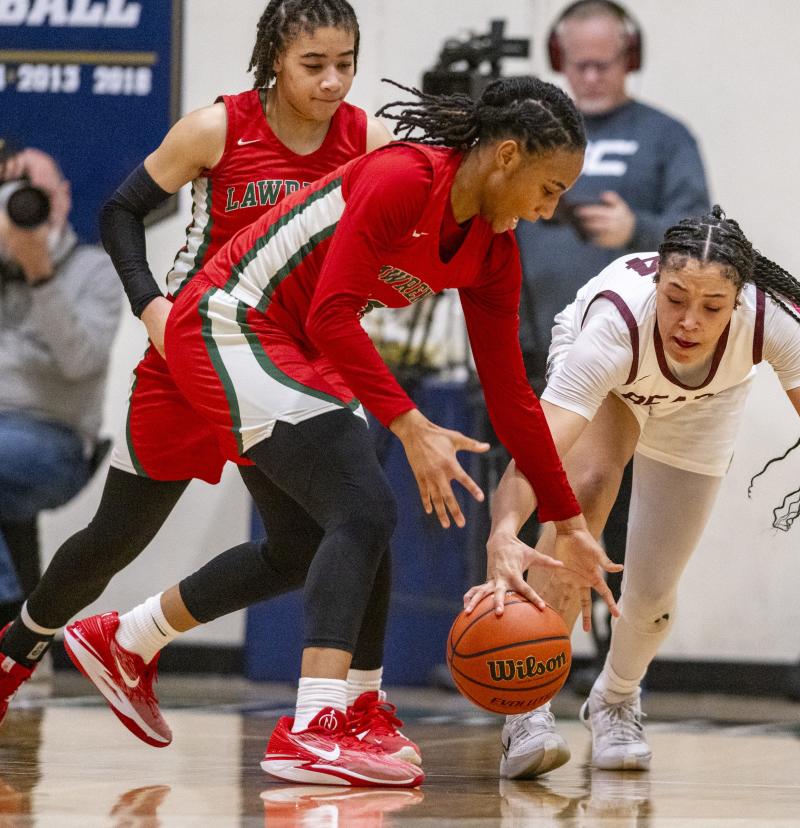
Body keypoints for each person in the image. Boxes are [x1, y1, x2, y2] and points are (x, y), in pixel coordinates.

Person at [71, 75, 620, 788]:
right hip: (229, 321)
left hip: (295, 350)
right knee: (364, 507)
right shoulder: (402, 176)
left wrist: (569, 519)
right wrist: (411, 424)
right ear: (507, 157)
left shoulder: (492, 250)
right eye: (550, 189)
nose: (551, 211)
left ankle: (132, 639)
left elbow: (513, 395)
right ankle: (315, 724)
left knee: (312, 540)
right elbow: (332, 312)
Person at [0, 0, 407, 758]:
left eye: (345, 64)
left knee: (329, 528)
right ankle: (18, 654)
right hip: (199, 351)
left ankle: (335, 707)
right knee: (112, 540)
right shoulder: (217, 128)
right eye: (313, 65)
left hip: (288, 362)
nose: (331, 82)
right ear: (275, 59)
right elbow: (121, 211)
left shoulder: (369, 141)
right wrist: (150, 303)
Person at [466, 207, 800, 779]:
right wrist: (504, 533)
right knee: (585, 494)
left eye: (711, 307)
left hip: (703, 407)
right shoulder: (614, 329)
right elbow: (533, 456)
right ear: (657, 283)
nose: (688, 321)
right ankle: (529, 706)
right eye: (675, 298)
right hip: (619, 383)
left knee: (654, 590)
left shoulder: (771, 323)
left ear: (736, 304)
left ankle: (615, 698)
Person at [516, 0, 712, 660]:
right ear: (556, 62)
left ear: (630, 59)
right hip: (537, 343)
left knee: (610, 494)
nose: (592, 77)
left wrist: (637, 230)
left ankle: (604, 643)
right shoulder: (535, 134)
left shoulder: (666, 137)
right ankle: (521, 632)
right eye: (579, 65)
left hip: (631, 357)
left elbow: (703, 235)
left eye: (605, 64)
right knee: (531, 487)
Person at [0, 145, 123, 622]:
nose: (26, 207)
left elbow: (80, 361)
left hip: (56, 444)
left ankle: (9, 609)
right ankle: (25, 642)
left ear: (64, 198)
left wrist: (40, 275)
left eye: (38, 194)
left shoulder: (95, 270)